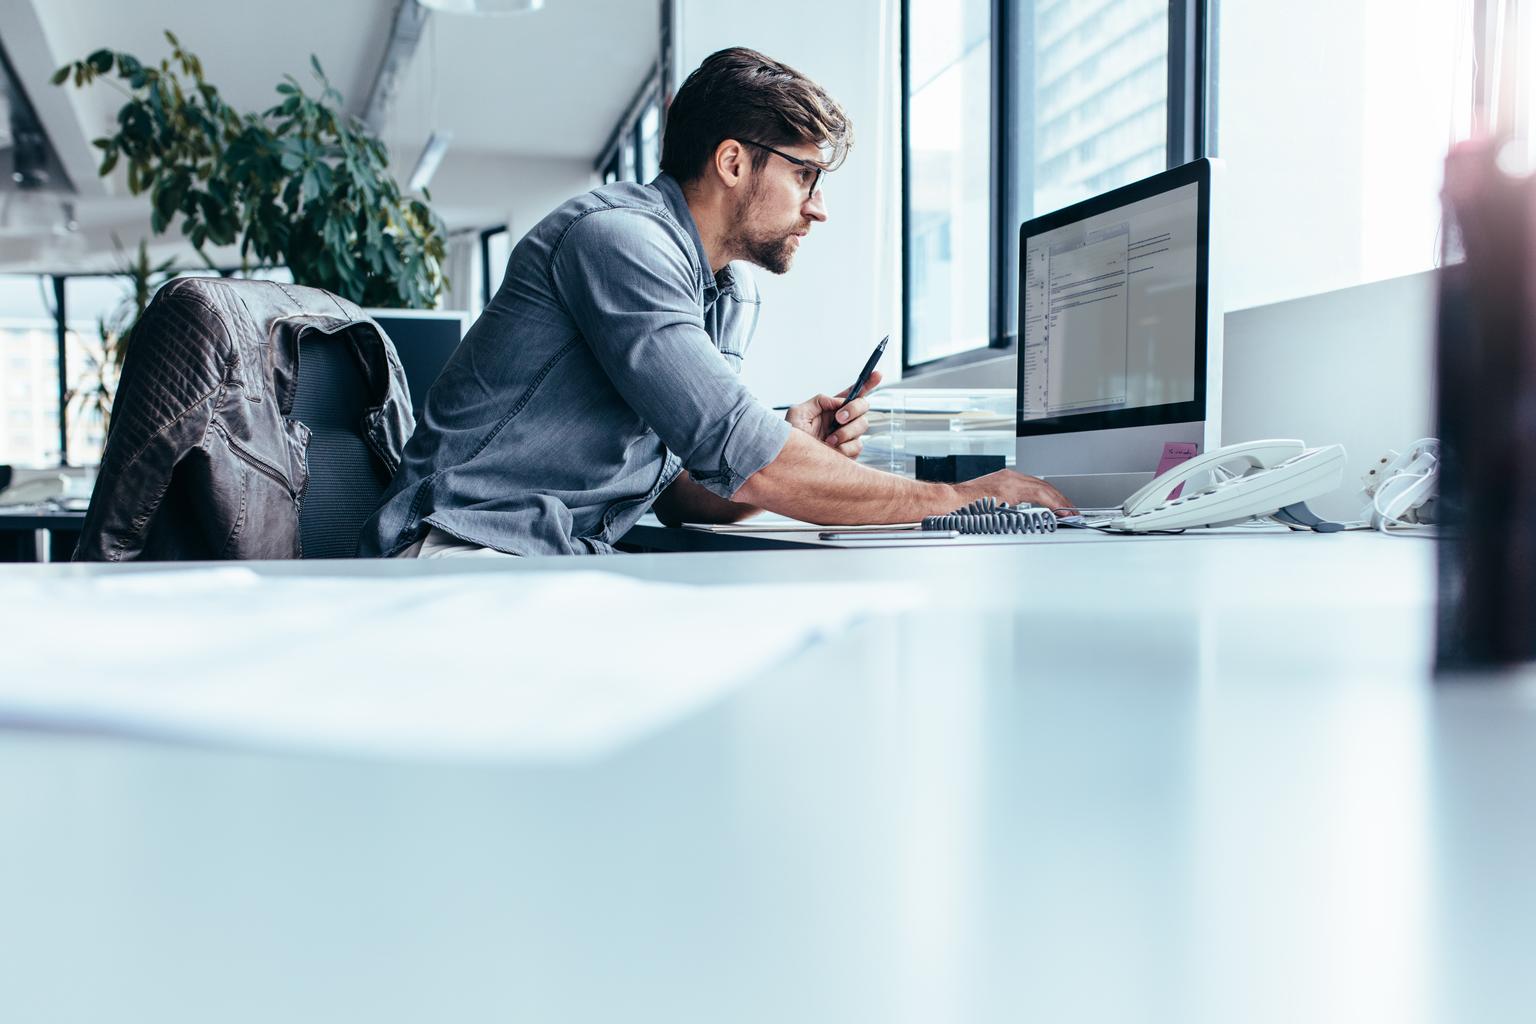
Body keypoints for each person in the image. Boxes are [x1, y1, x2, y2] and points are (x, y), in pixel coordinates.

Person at [358, 47, 1067, 559]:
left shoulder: (728, 291)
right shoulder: (617, 242)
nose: (819, 208)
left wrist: (790, 438)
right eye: (806, 175)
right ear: (733, 162)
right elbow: (748, 457)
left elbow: (679, 492)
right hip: (463, 550)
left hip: (558, 559)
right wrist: (963, 500)